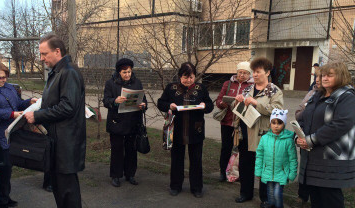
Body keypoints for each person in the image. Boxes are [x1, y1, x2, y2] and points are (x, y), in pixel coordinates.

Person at [25, 34, 86, 208]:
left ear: (57, 52)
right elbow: (56, 103)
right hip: (57, 139)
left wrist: (38, 116)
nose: (41, 58)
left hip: (67, 142)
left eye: (44, 53)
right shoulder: (58, 72)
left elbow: (67, 107)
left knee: (68, 189)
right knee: (59, 187)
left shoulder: (68, 73)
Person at [296, 62, 355, 208]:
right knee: (315, 191)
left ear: (341, 76)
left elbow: (340, 124)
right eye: (322, 75)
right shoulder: (317, 95)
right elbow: (305, 117)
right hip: (314, 152)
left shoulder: (347, 97)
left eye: (330, 75)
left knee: (330, 193)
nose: (324, 78)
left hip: (334, 154)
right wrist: (300, 135)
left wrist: (312, 139)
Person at [0, 62, 37, 208]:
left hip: (12, 131)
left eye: (5, 77)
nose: (4, 80)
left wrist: (28, 102)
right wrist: (11, 114)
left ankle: (6, 196)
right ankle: (2, 201)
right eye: (0, 77)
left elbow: (17, 104)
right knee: (3, 167)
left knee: (8, 167)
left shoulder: (9, 87)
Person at [157, 62, 214, 197]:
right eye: (185, 77)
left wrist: (204, 105)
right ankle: (175, 186)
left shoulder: (201, 88)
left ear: (195, 76)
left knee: (196, 160)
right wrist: (169, 105)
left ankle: (197, 188)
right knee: (177, 159)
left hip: (196, 129)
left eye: (191, 77)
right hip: (177, 129)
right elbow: (161, 102)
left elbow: (210, 105)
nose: (188, 80)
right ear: (180, 76)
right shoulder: (171, 88)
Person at [234, 57, 283, 208]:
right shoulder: (248, 89)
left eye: (258, 72)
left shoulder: (274, 91)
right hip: (246, 132)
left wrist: (257, 104)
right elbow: (240, 110)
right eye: (253, 72)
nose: (254, 75)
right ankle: (245, 193)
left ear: (267, 72)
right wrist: (238, 101)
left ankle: (266, 198)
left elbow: (279, 111)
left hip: (264, 134)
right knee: (245, 164)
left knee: (264, 167)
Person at [103, 58, 147, 187]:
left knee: (131, 150)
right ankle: (116, 175)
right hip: (117, 122)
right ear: (118, 72)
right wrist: (115, 101)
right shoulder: (110, 83)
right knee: (117, 150)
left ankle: (130, 174)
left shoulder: (137, 83)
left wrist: (143, 105)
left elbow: (143, 100)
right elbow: (106, 101)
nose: (127, 75)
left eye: (129, 72)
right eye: (124, 72)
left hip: (133, 122)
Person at [255, 109, 298, 208]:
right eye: (273, 123)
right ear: (270, 124)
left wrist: (292, 173)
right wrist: (258, 171)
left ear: (284, 124)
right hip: (268, 172)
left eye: (279, 123)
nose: (276, 126)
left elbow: (293, 159)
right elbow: (259, 155)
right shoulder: (264, 138)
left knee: (277, 195)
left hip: (281, 173)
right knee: (270, 195)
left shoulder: (288, 140)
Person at [215, 61, 253, 182]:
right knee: (226, 148)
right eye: (240, 72)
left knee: (242, 150)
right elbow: (219, 100)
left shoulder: (252, 86)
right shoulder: (228, 83)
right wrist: (222, 103)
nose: (242, 75)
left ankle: (239, 174)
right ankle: (222, 172)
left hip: (243, 123)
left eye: (245, 73)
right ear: (236, 72)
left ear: (249, 74)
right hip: (227, 121)